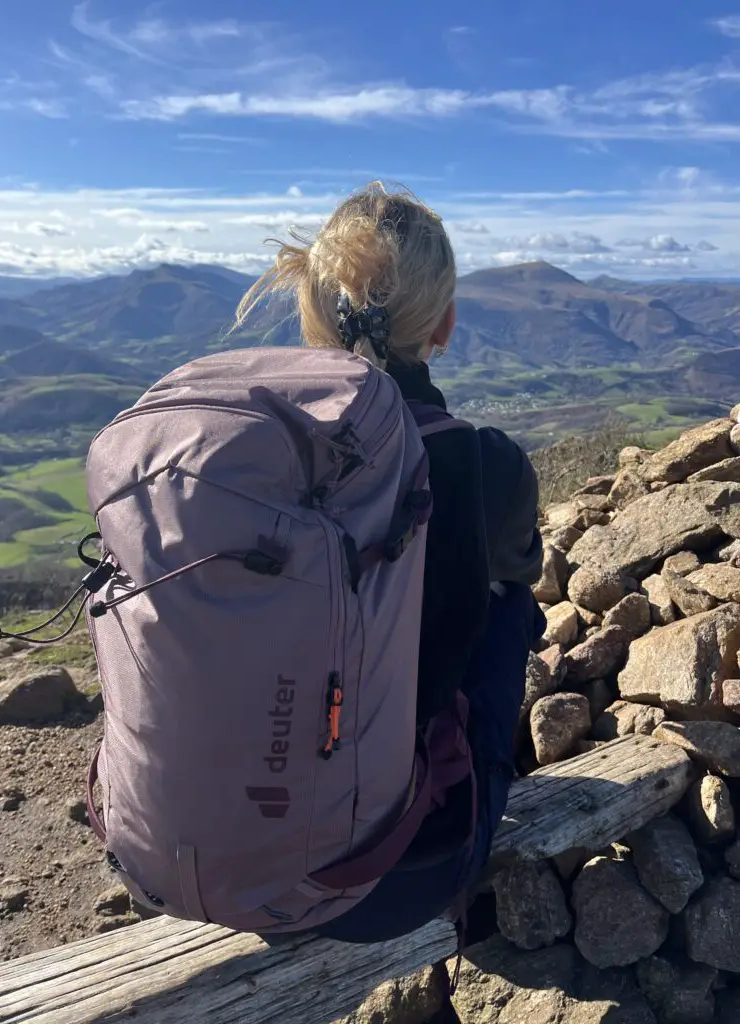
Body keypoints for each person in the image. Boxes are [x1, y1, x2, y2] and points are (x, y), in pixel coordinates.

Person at [235, 182, 545, 944]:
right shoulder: (487, 466)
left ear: (312, 314)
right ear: (444, 325)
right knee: (514, 609)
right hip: (396, 879)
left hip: (219, 859)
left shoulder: (243, 458)